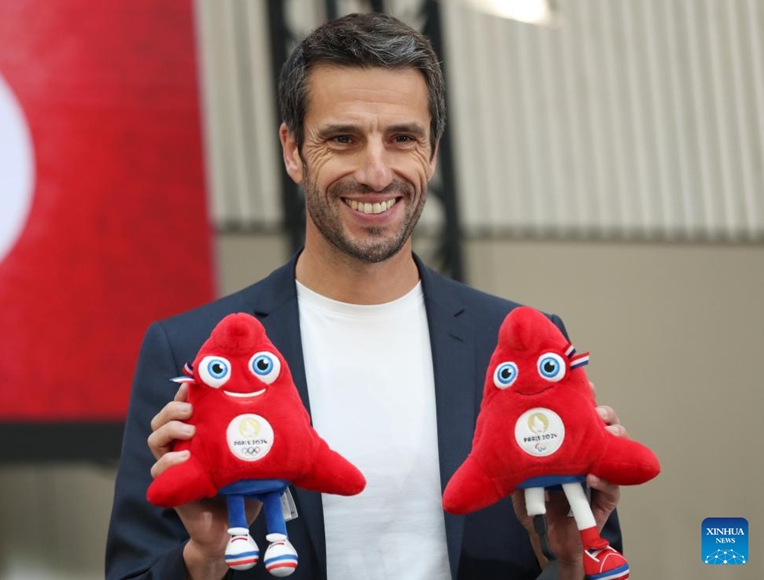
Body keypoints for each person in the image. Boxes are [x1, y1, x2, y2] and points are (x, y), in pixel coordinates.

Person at [106, 12, 627, 580]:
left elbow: (593, 565)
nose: (376, 174)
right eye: (343, 139)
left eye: (402, 138)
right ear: (292, 150)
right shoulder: (186, 351)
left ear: (432, 152)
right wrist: (202, 558)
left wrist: (571, 558)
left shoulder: (521, 349)